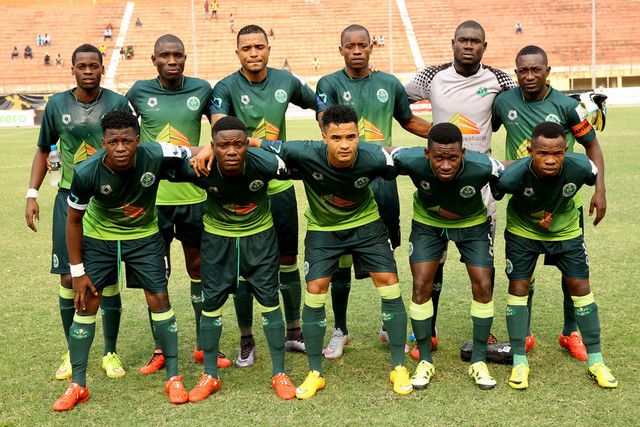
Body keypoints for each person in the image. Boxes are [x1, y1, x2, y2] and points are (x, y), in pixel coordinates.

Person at [248, 105, 412, 398]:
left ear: (358, 135)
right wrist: (209, 149)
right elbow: (254, 142)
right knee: (315, 290)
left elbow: (413, 157)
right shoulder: (304, 151)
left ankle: (399, 366)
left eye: (351, 137)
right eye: (336, 138)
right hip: (323, 229)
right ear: (324, 137)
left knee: (390, 284)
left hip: (366, 225)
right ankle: (315, 372)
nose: (345, 144)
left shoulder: (374, 156)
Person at [51, 111, 198, 411]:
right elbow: (73, 221)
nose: (120, 147)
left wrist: (207, 151)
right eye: (113, 141)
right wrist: (77, 272)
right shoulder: (86, 172)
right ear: (103, 143)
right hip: (99, 238)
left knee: (160, 299)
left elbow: (192, 151)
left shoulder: (156, 153)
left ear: (138, 140)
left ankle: (173, 377)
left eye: (127, 141)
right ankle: (78, 384)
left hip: (144, 237)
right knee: (87, 303)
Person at [315, 24, 431, 360]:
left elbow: (408, 120)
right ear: (341, 49)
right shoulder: (329, 84)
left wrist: (444, 133)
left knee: (386, 254)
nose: (356, 50)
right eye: (349, 45)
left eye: (362, 45)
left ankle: (387, 323)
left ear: (370, 47)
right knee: (340, 259)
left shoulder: (389, 83)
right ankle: (340, 329)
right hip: (343, 181)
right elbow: (325, 121)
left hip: (382, 183)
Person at [404, 20, 516, 360]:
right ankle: (427, 329)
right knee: (432, 261)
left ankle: (484, 330)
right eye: (463, 40)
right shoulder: (431, 76)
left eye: (475, 41)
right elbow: (398, 104)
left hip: (480, 182)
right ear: (453, 42)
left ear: (484, 46)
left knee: (482, 263)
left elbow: (514, 110)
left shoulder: (500, 80)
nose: (468, 45)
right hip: (439, 179)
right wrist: (434, 133)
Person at [209, 24, 317, 366]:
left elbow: (322, 106)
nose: (253, 53)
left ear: (269, 49)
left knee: (287, 260)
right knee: (244, 266)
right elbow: (220, 127)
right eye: (247, 48)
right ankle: (246, 338)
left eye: (259, 47)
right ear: (237, 52)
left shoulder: (286, 81)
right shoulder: (225, 87)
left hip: (279, 186)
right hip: (242, 187)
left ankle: (294, 330)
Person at [25, 44, 131, 384]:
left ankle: (110, 351)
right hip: (68, 197)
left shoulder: (118, 103)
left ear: (102, 68)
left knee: (108, 278)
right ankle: (72, 351)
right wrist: (31, 194)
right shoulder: (57, 105)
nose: (88, 71)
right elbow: (43, 150)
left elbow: (131, 146)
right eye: (81, 66)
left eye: (93, 65)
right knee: (69, 278)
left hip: (106, 199)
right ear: (72, 69)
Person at [492, 45, 606, 361]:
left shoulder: (567, 106)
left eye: (536, 69)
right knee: (522, 275)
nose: (529, 76)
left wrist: (600, 190)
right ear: (516, 73)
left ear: (547, 71)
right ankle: (524, 333)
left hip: (562, 204)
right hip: (523, 202)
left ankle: (571, 332)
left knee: (572, 274)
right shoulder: (503, 102)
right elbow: (485, 133)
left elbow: (592, 146)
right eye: (523, 70)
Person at [126, 34, 230, 374]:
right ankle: (161, 349)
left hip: (194, 198)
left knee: (199, 269)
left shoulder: (202, 89)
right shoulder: (138, 92)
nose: (172, 61)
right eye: (165, 55)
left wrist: (211, 147)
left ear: (185, 58)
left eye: (178, 55)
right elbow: (123, 134)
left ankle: (203, 345)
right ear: (153, 59)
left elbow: (220, 129)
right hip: (152, 201)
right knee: (155, 276)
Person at [493, 121, 617, 390]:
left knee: (581, 287)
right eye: (542, 153)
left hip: (565, 231)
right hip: (524, 231)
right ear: (530, 151)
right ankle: (519, 360)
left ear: (565, 151)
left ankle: (596, 361)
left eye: (557, 153)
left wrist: (600, 192)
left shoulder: (580, 167)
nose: (550, 160)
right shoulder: (513, 176)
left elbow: (595, 170)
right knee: (518, 287)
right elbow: (496, 188)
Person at [183, 116, 297, 402]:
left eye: (238, 145)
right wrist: (201, 151)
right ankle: (210, 375)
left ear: (248, 144)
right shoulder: (198, 167)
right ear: (213, 146)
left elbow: (301, 158)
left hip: (260, 237)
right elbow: (155, 161)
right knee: (211, 304)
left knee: (269, 301)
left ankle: (279, 373)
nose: (232, 151)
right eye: (223, 146)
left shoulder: (267, 164)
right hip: (217, 239)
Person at [391, 122, 502, 390]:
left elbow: (510, 172)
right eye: (438, 158)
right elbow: (383, 152)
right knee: (421, 285)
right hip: (428, 224)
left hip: (472, 225)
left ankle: (479, 361)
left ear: (463, 153)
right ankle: (424, 360)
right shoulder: (411, 159)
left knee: (483, 284)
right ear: (427, 154)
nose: (445, 165)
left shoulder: (483, 165)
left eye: (453, 157)